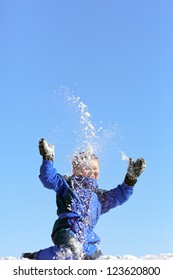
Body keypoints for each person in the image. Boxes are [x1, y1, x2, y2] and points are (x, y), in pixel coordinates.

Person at [23, 138, 146, 260]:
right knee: (72, 250)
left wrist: (130, 179)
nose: (94, 173)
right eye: (89, 168)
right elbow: (48, 178)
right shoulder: (67, 185)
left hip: (87, 238)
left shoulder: (99, 197)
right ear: (75, 170)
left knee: (97, 260)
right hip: (67, 230)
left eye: (96, 169)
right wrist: (48, 158)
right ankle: (35, 258)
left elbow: (119, 196)